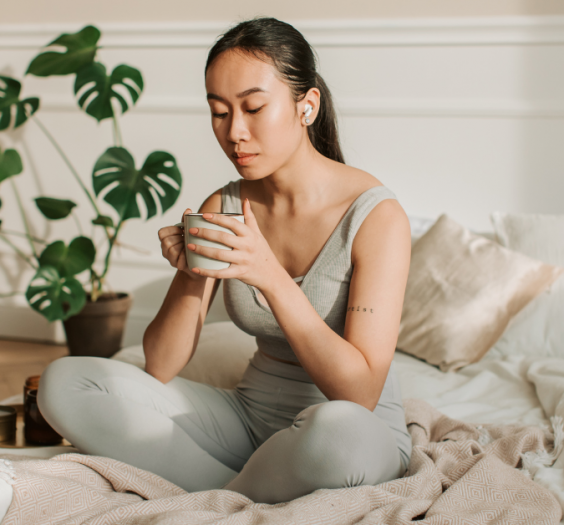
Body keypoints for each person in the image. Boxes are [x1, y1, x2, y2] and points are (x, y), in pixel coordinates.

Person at [37, 17, 412, 504]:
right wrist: (190, 273)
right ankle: (234, 496)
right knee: (65, 382)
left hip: (348, 431)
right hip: (249, 421)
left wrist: (272, 278)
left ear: (307, 106)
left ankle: (207, 497)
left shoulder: (377, 217)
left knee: (337, 433)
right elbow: (161, 365)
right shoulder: (225, 205)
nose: (235, 132)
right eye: (218, 112)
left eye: (254, 108)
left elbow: (359, 395)